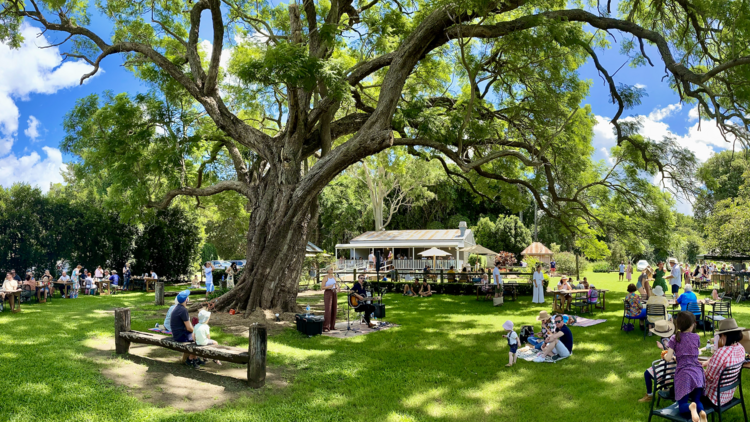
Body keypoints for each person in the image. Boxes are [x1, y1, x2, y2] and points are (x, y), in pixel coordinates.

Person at [665, 311, 707, 422]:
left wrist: (666, 356)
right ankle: (702, 412)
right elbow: (691, 351)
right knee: (697, 400)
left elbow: (669, 358)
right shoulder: (696, 337)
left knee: (682, 404)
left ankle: (690, 408)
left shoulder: (674, 338)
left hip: (684, 374)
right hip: (697, 372)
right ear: (692, 324)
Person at [703, 318, 746, 408]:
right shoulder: (741, 348)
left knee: (690, 380)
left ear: (726, 335)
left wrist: (699, 370)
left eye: (721, 335)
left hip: (713, 397)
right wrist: (708, 362)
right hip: (728, 395)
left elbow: (709, 377)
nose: (720, 338)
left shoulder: (721, 352)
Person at [638, 320, 676, 402]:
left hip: (670, 365)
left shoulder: (666, 340)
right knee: (662, 370)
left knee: (647, 373)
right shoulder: (675, 337)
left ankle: (650, 395)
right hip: (675, 365)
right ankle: (665, 388)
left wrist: (662, 348)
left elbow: (669, 354)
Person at [170, 290, 199, 367]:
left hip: (176, 334)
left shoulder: (177, 308)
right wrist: (197, 332)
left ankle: (193, 358)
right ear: (186, 300)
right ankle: (190, 359)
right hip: (181, 336)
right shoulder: (183, 310)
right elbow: (189, 328)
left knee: (195, 336)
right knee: (198, 338)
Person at [322, 267, 338, 332]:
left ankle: (332, 326)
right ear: (328, 270)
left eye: (333, 269)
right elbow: (322, 287)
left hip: (334, 292)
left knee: (334, 308)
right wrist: (329, 286)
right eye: (331, 269)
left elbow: (336, 285)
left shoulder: (334, 277)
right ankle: (326, 326)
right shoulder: (325, 277)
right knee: (328, 309)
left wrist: (337, 287)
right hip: (328, 292)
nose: (332, 270)